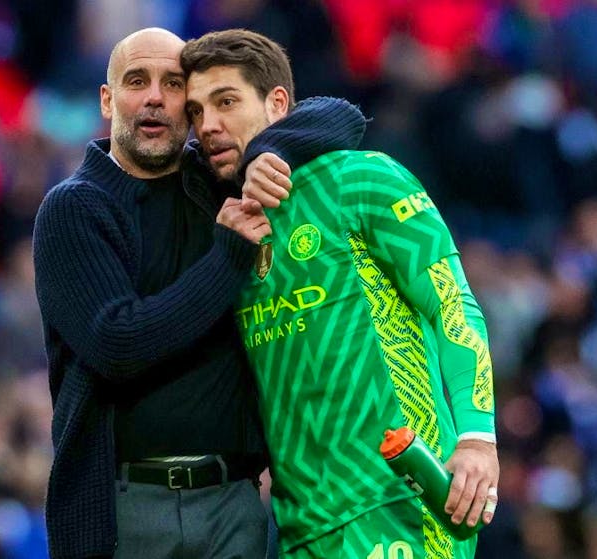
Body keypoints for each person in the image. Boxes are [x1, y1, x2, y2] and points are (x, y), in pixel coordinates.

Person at [32, 28, 361, 559]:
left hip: (234, 505)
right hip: (125, 513)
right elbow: (118, 344)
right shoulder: (74, 209)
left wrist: (266, 152)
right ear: (107, 98)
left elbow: (340, 115)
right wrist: (228, 256)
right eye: (137, 81)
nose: (156, 96)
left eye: (174, 82)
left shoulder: (218, 181)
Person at [180, 29, 500, 558]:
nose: (208, 124)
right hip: (300, 528)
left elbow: (453, 305)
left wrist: (476, 439)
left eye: (226, 101)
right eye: (195, 111)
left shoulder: (362, 179)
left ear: (277, 103)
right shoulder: (228, 233)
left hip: (398, 504)